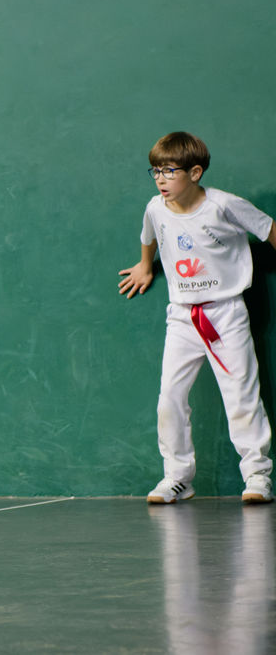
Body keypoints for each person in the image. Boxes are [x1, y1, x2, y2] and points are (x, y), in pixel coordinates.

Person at [119, 131, 276, 504]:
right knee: (170, 398)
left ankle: (257, 475)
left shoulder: (224, 205)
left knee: (241, 396)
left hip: (226, 314)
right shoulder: (155, 207)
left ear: (194, 172)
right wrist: (145, 266)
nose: (160, 179)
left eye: (169, 171)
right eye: (156, 171)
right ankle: (177, 477)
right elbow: (149, 236)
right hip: (181, 317)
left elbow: (269, 229)